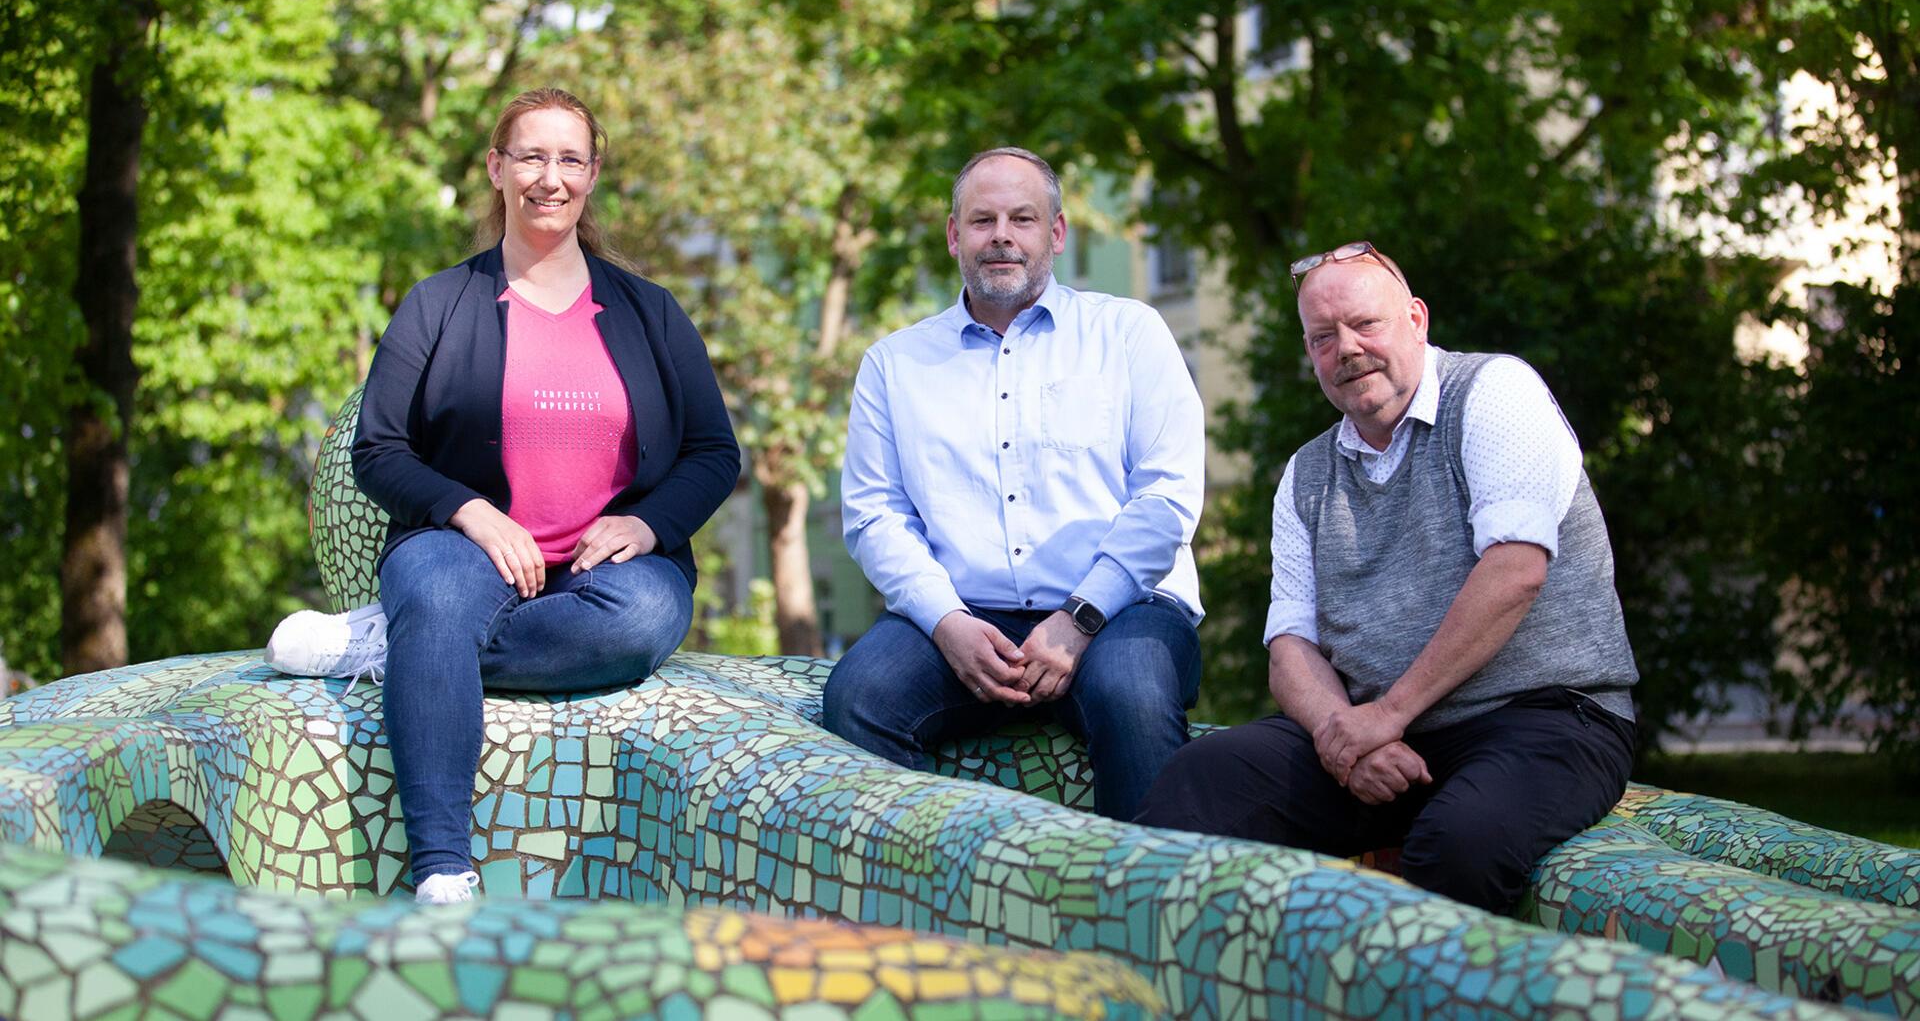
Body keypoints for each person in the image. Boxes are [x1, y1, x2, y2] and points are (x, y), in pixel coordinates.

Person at [266, 88, 739, 904]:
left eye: (568, 159)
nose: (548, 177)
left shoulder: (649, 312)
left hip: (605, 575)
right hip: (460, 550)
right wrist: (472, 512)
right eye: (529, 156)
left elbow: (712, 452)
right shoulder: (438, 304)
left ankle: (399, 645)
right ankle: (443, 866)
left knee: (645, 619)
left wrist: (646, 522)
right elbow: (378, 447)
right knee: (440, 594)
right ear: (496, 168)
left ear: (592, 174)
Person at [1135, 241, 1638, 913]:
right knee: (1200, 781)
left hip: (1546, 719)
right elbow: (1289, 650)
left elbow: (1516, 572)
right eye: (1322, 337)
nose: (1346, 348)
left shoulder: (1494, 392)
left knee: (1460, 844)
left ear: (1417, 319)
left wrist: (1387, 715)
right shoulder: (1306, 475)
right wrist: (1344, 737)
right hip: (1378, 732)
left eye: (1365, 324)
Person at [822, 147, 1206, 820]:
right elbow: (875, 516)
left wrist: (1079, 619)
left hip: (1121, 607)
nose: (1001, 235)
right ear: (953, 236)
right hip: (964, 613)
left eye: (1022, 218)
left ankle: (1146, 916)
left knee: (1132, 697)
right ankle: (934, 903)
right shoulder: (894, 364)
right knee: (859, 698)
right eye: (982, 220)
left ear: (1055, 234)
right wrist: (946, 622)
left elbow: (1168, 496)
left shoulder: (1128, 334)